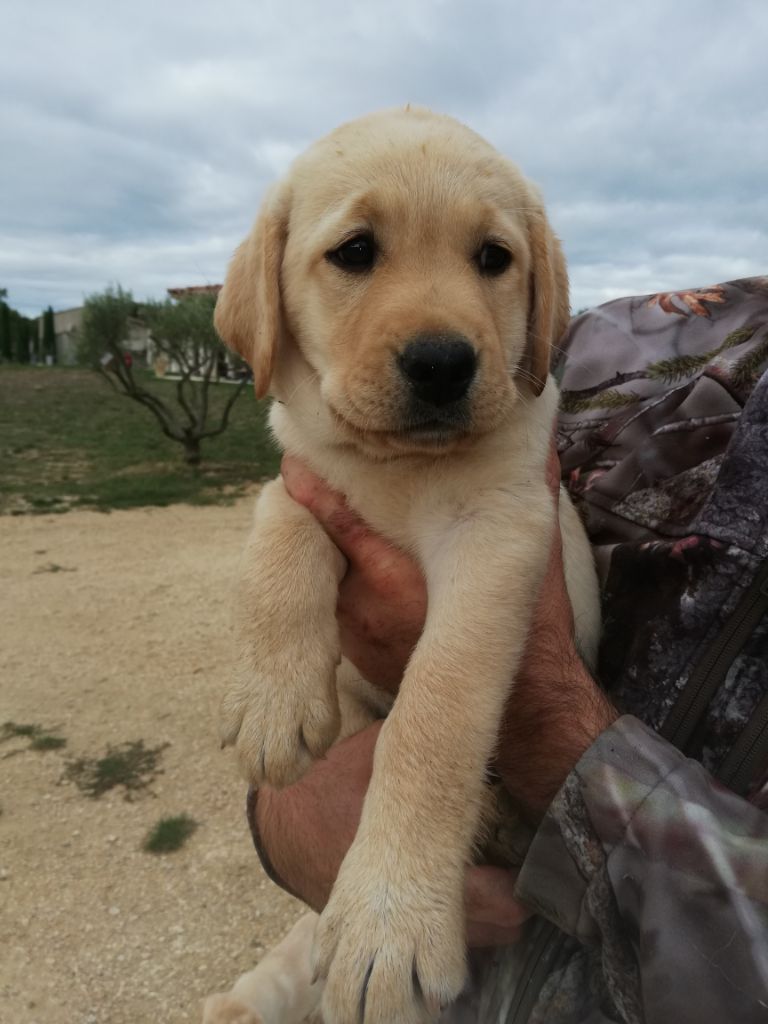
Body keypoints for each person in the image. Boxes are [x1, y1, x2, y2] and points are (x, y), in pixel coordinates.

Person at [248, 278, 768, 1023]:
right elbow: (316, 516)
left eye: (491, 255)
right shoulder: (596, 344)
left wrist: (536, 721)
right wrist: (295, 804)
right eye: (357, 252)